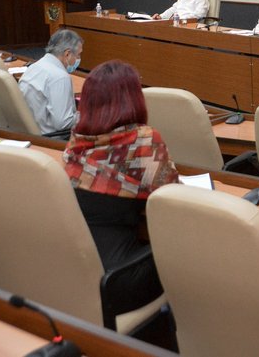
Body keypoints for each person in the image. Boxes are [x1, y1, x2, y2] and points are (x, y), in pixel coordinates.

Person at [62, 60, 179, 309]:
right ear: (133, 98)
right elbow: (173, 199)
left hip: (74, 269)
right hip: (119, 280)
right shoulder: (142, 141)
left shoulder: (76, 139)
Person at [18, 28, 82, 134]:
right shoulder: (60, 77)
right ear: (67, 54)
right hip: (52, 138)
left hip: (29, 132)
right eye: (78, 55)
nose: (79, 59)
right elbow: (63, 123)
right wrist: (88, 116)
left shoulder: (34, 67)